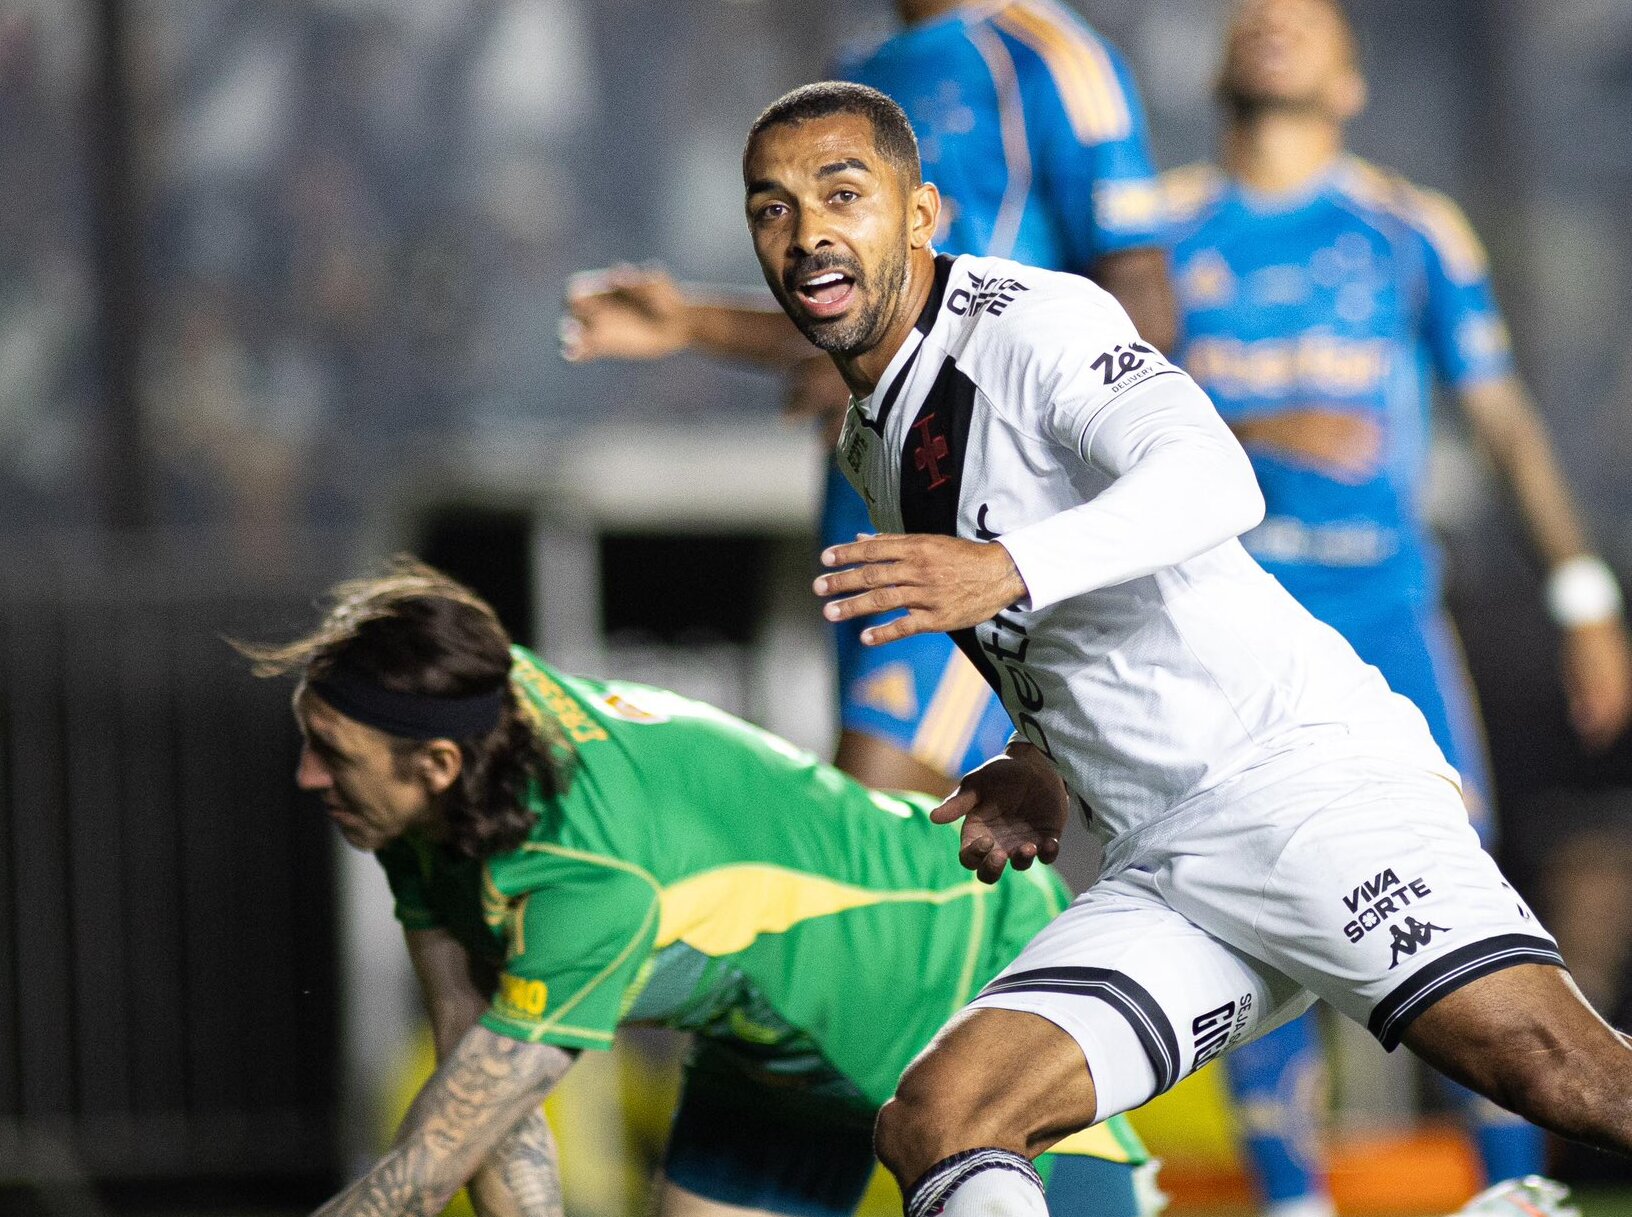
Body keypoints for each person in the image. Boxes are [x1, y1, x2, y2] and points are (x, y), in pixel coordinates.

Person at [733, 78, 1632, 1217]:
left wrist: (1004, 567)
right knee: (942, 1118)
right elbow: (1067, 617)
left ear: (919, 215)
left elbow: (1212, 478)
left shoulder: (1027, 323)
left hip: (1299, 788)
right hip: (1166, 865)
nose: (807, 231)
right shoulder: (875, 435)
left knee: (1567, 1075)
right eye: (773, 208)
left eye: (842, 193)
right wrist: (1040, 757)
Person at [239, 558, 1159, 1217]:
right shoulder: (444, 760)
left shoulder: (593, 875)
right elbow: (477, 1084)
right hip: (774, 1049)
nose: (308, 776)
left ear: (437, 764)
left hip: (958, 970)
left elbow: (427, 1167)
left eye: (334, 754)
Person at [1158, 1, 1632, 1210]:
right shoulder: (1155, 233)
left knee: (1459, 894)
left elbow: (1505, 420)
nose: (1272, 23)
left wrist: (1583, 594)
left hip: (1386, 622)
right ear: (1217, 67)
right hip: (1231, 630)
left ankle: (1514, 1189)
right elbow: (1097, 418)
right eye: (1254, 15)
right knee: (1246, 899)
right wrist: (1256, 424)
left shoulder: (1411, 230)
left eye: (1303, 17)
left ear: (1352, 81)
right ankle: (1291, 1194)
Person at [561, 0, 1174, 799]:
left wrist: (943, 392)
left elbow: (1140, 300)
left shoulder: (1050, 59)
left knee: (862, 814)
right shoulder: (858, 71)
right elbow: (861, 311)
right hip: (870, 499)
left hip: (982, 509)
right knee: (931, 843)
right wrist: (688, 323)